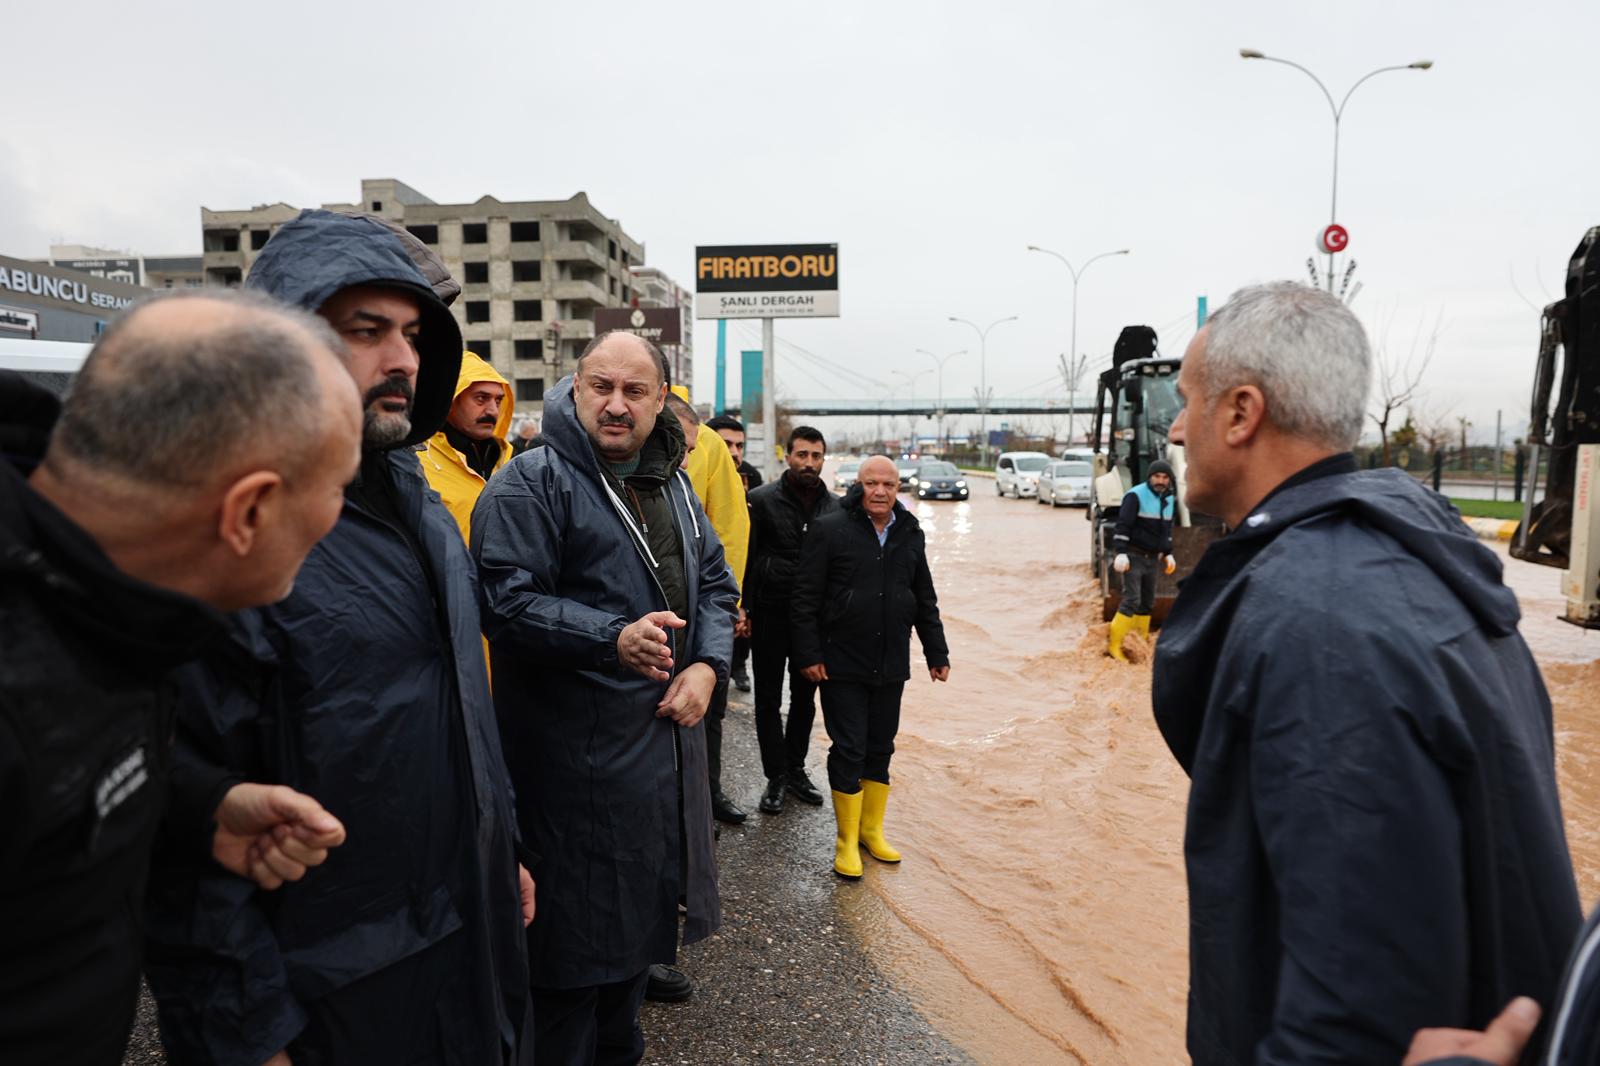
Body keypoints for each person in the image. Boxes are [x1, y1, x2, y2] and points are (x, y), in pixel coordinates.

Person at [1155, 281, 1581, 1064]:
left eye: (1186, 401)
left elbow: (1352, 1007)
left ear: (1241, 413)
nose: (1177, 429)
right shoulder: (1416, 566)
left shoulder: (1320, 628)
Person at [143, 211, 533, 1066]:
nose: (403, 359)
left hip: (469, 947)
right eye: (367, 331)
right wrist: (245, 1035)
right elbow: (183, 812)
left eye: (413, 334)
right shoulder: (230, 522)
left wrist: (500, 847)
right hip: (328, 998)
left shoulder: (416, 496)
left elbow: (458, 700)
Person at [0, 291, 357, 1065]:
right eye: (339, 487)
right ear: (250, 511)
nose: (339, 516)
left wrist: (195, 805)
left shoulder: (99, 595)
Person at [473, 330, 737, 1064]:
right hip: (568, 766)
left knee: (627, 971)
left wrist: (709, 666)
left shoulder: (674, 486)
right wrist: (610, 637)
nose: (616, 406)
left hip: (658, 762)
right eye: (601, 387)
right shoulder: (531, 481)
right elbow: (503, 600)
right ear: (576, 387)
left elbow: (715, 584)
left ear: (662, 402)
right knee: (563, 977)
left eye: (635, 391)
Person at [790, 455, 949, 880]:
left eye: (888, 485)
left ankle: (871, 831)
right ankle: (845, 841)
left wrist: (937, 653)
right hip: (840, 661)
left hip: (891, 661)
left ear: (898, 488)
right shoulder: (830, 528)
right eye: (871, 483)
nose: (880, 492)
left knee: (882, 748)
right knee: (849, 748)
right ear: (857, 486)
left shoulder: (910, 532)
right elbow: (804, 598)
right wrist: (807, 655)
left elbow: (924, 596)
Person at [743, 425, 839, 814]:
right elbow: (746, 558)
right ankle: (775, 777)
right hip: (768, 612)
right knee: (767, 698)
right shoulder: (760, 500)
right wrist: (743, 606)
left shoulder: (835, 507)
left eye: (816, 456)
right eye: (803, 455)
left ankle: (796, 769)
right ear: (788, 455)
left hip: (813, 621)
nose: (809, 463)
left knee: (805, 698)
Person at [665, 390, 750, 826]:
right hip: (645, 634)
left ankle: (706, 797)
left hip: (699, 617)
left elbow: (729, 531)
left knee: (707, 710)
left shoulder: (705, 448)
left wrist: (729, 607)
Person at [420, 350, 513, 542]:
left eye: (498, 400)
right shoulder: (418, 463)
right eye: (481, 398)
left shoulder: (512, 463)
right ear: (451, 399)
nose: (493, 410)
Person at [705, 415, 761, 691]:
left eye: (740, 445)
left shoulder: (752, 477)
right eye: (725, 443)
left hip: (744, 575)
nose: (734, 452)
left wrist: (745, 604)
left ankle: (739, 667)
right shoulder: (695, 477)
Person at [1107, 458, 1176, 660]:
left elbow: (1166, 530)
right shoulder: (1135, 495)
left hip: (1152, 558)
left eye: (1164, 477)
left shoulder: (1169, 499)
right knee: (1132, 599)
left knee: (1147, 602)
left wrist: (1168, 552)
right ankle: (1115, 645)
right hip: (1133, 555)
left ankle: (1139, 642)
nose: (1160, 481)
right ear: (1150, 477)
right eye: (1157, 476)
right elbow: (1123, 525)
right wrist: (1120, 552)